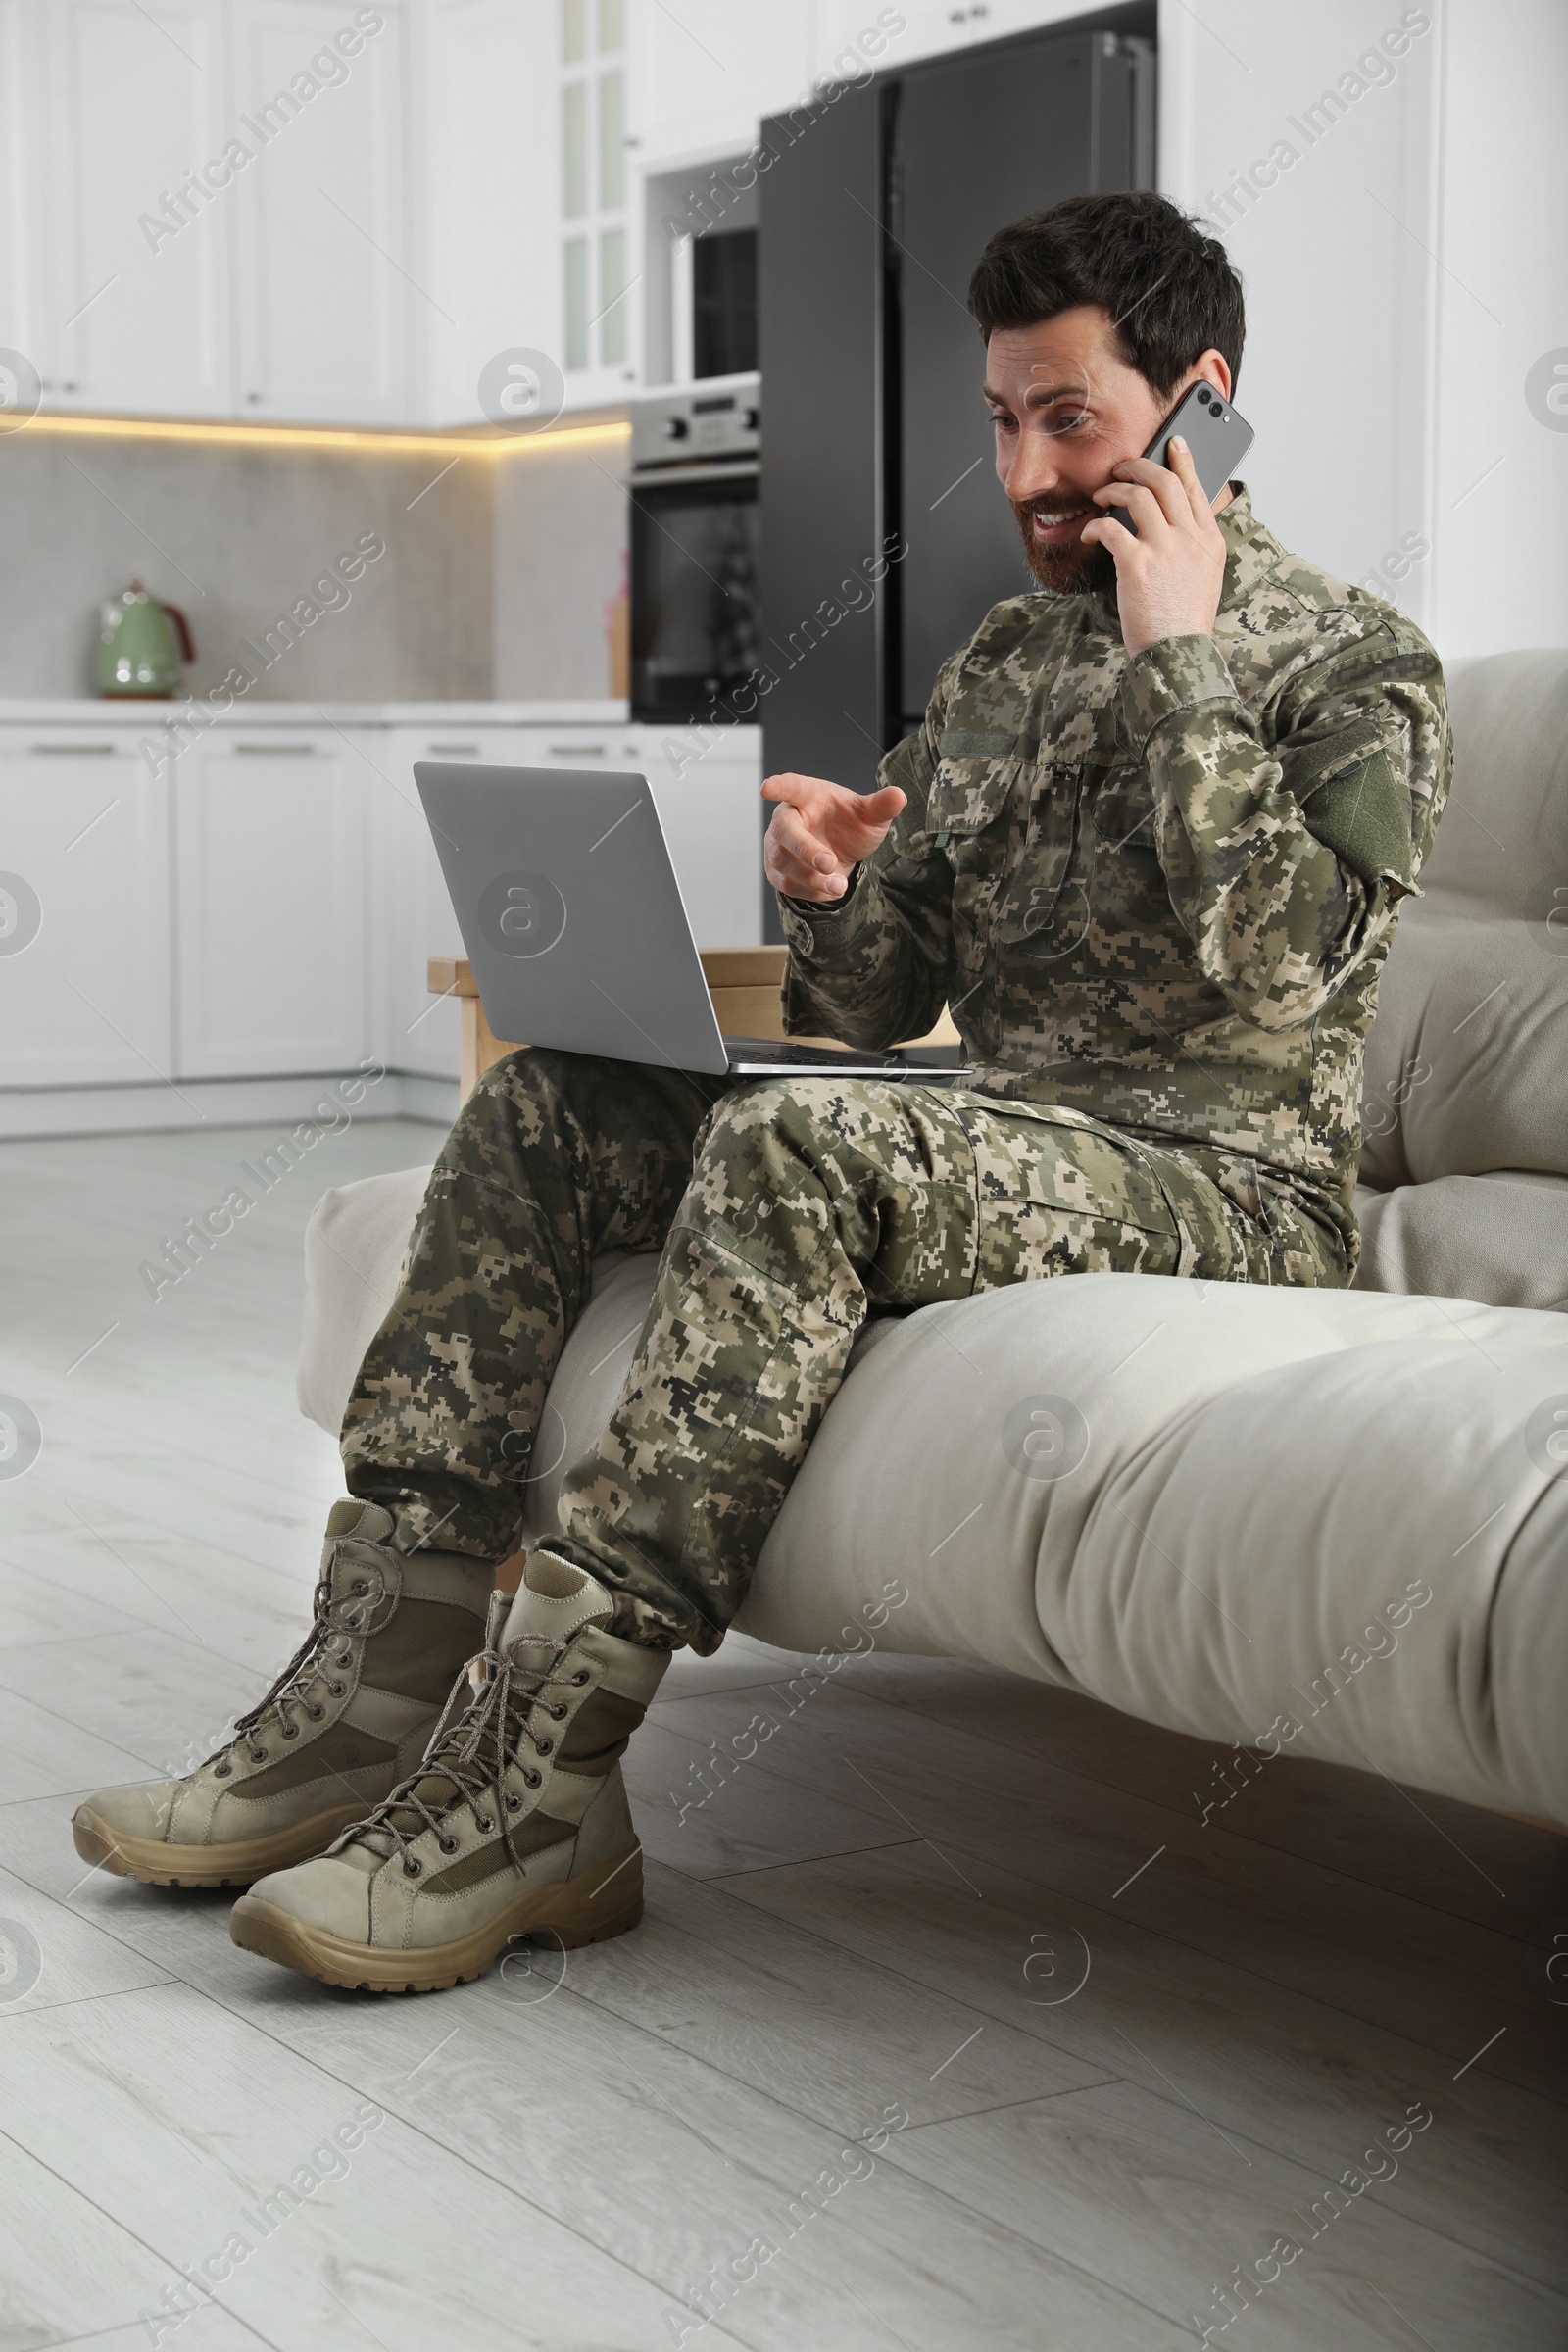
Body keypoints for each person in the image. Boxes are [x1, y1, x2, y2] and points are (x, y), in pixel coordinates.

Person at [73, 192, 1450, 1992]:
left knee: (805, 1140)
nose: (1028, 468)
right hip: (1007, 1138)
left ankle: (546, 1786)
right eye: (1003, 421)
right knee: (556, 1096)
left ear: (1199, 405)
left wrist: (1176, 655)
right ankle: (364, 1704)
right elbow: (880, 1006)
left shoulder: (1358, 665)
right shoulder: (1003, 667)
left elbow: (1289, 963)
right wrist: (832, 886)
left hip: (1225, 1187)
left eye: (1074, 419)